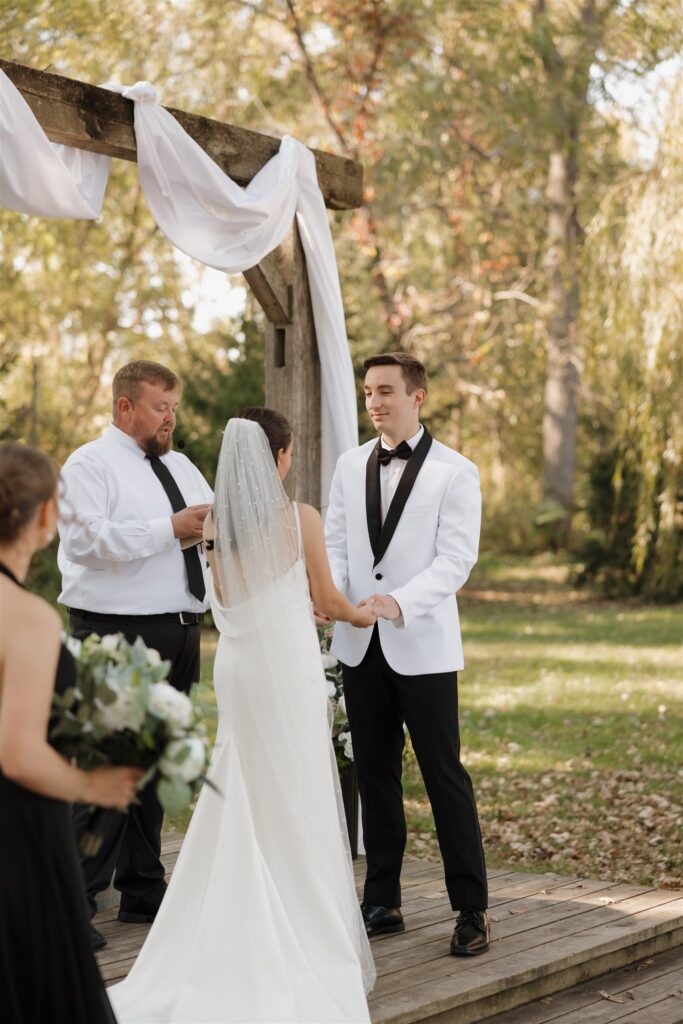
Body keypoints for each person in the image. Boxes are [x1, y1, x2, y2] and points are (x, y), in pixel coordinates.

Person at [108, 407, 377, 1023]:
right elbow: (328, 599)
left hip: (238, 667)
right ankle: (297, 926)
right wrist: (368, 614)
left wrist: (293, 606)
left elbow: (234, 599)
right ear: (278, 458)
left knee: (246, 786)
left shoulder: (213, 529)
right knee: (294, 788)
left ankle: (227, 921)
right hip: (283, 668)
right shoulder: (299, 517)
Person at [325, 352, 490, 956]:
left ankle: (471, 909)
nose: (374, 401)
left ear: (417, 396)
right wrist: (336, 599)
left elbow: (456, 560)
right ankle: (382, 899)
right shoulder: (348, 466)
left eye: (386, 390)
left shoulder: (455, 471)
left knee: (445, 776)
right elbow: (338, 544)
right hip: (359, 641)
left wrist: (396, 602)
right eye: (368, 390)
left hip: (421, 643)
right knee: (374, 772)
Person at [57, 359, 213, 948]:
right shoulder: (88, 464)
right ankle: (73, 899)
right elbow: (83, 541)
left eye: (173, 407)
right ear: (125, 407)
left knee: (157, 765)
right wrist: (168, 528)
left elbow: (216, 525)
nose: (169, 418)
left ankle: (142, 888)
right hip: (115, 632)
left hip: (181, 629)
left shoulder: (182, 466)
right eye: (159, 407)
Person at [0, 441, 142, 1024]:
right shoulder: (27, 616)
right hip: (16, 833)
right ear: (41, 517)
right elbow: (17, 753)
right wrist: (94, 787)